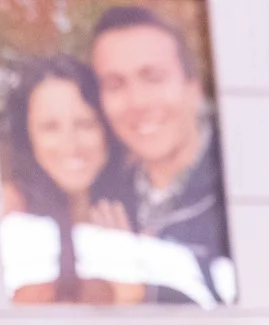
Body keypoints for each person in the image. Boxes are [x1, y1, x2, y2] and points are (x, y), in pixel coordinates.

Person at [89, 6, 232, 305]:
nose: (137, 102)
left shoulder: (238, 185)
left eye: (153, 78)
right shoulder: (99, 197)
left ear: (194, 87)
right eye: (115, 85)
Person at [0, 56, 152, 306]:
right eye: (50, 128)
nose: (71, 145)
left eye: (85, 124)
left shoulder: (139, 206)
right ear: (27, 137)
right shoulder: (10, 212)